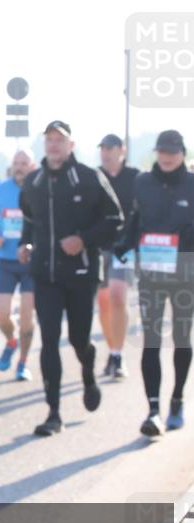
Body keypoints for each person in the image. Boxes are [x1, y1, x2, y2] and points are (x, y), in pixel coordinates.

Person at [17, 121, 123, 436]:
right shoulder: (34, 181)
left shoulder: (90, 178)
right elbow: (29, 220)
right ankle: (53, 413)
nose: (53, 145)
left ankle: (88, 376)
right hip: (45, 274)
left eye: (59, 140)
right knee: (48, 340)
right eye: (48, 139)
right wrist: (26, 245)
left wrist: (83, 239)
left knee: (78, 340)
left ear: (71, 145)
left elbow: (115, 219)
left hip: (81, 274)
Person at [114, 129, 192, 435]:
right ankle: (153, 410)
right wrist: (123, 244)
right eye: (162, 151)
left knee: (183, 339)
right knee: (152, 341)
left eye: (173, 151)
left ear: (182, 153)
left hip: (186, 272)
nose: (167, 156)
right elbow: (136, 220)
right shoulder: (143, 183)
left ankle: (177, 399)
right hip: (151, 273)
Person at [0, 149, 36, 381]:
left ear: (32, 165)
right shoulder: (0, 189)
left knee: (26, 318)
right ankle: (11, 341)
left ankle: (23, 363)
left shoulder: (38, 189)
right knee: (3, 317)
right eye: (16, 163)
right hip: (5, 259)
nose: (20, 167)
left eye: (24, 163)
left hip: (30, 261)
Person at [95, 133, 140, 379]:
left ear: (121, 150)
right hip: (99, 246)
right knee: (103, 302)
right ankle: (111, 350)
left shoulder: (135, 178)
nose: (106, 152)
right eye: (103, 148)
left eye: (111, 147)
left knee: (118, 295)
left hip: (125, 247)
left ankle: (118, 354)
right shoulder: (94, 177)